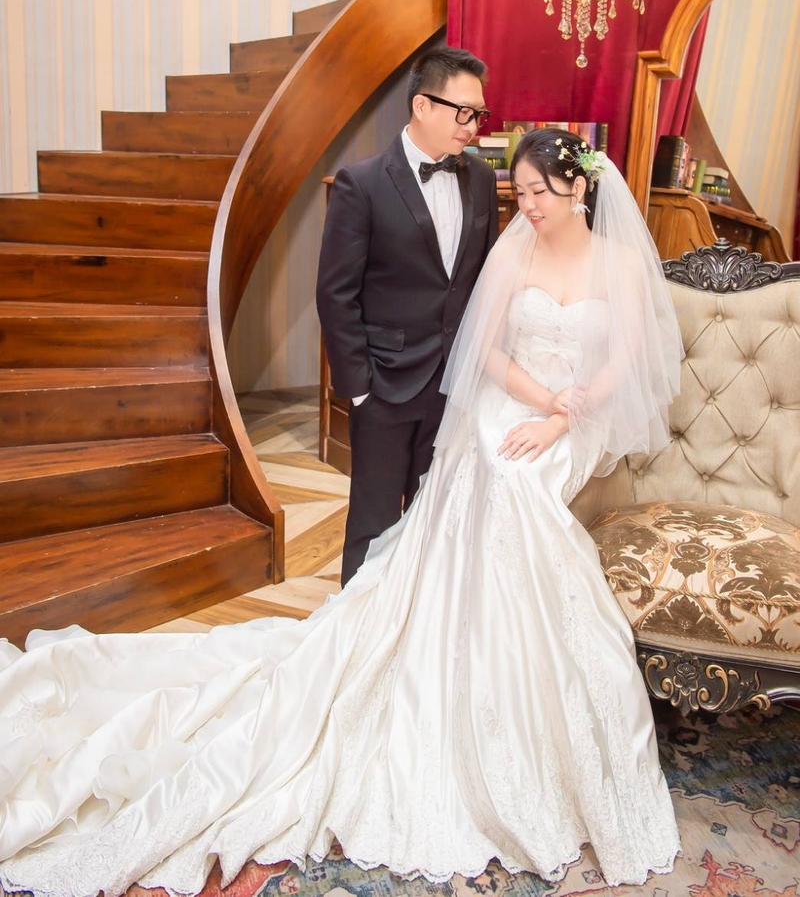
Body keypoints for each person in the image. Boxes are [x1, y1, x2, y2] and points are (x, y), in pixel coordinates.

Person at [0, 129, 683, 897]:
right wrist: (537, 401)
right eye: (519, 192)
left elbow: (627, 355)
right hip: (512, 402)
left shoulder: (623, 264)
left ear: (579, 189)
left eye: (540, 193)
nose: (526, 206)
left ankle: (536, 687)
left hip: (574, 420)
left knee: (522, 481)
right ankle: (464, 636)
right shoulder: (515, 251)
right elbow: (486, 352)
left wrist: (562, 417)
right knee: (498, 467)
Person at [316, 46, 498, 585]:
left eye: (479, 114)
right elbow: (336, 294)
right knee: (373, 521)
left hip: (454, 384)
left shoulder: (482, 179)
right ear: (422, 105)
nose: (473, 125)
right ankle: (358, 625)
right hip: (385, 385)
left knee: (437, 520)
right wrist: (359, 388)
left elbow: (483, 279)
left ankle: (419, 621)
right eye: (463, 112)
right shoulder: (362, 182)